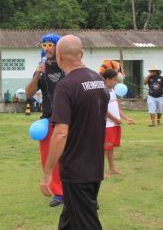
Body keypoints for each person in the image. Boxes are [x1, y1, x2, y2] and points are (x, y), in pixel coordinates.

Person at [40, 35, 109, 230]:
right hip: (94, 166)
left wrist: (47, 174)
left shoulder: (66, 85)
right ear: (82, 54)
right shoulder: (98, 79)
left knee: (87, 224)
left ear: (59, 56)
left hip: (76, 170)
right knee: (69, 220)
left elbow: (61, 132)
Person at [25, 33, 65, 207]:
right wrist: (37, 75)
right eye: (44, 45)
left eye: (51, 44)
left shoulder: (67, 66)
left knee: (71, 156)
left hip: (68, 118)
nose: (47, 48)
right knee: (49, 157)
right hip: (48, 118)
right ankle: (59, 193)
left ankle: (79, 192)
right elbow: (29, 93)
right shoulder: (41, 68)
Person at [102, 69, 134, 178]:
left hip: (114, 125)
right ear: (107, 79)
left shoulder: (112, 91)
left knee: (111, 148)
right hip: (107, 125)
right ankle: (99, 171)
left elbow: (116, 107)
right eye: (114, 80)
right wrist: (115, 120)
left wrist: (126, 118)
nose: (115, 82)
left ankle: (112, 168)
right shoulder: (103, 91)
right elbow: (103, 110)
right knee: (104, 149)